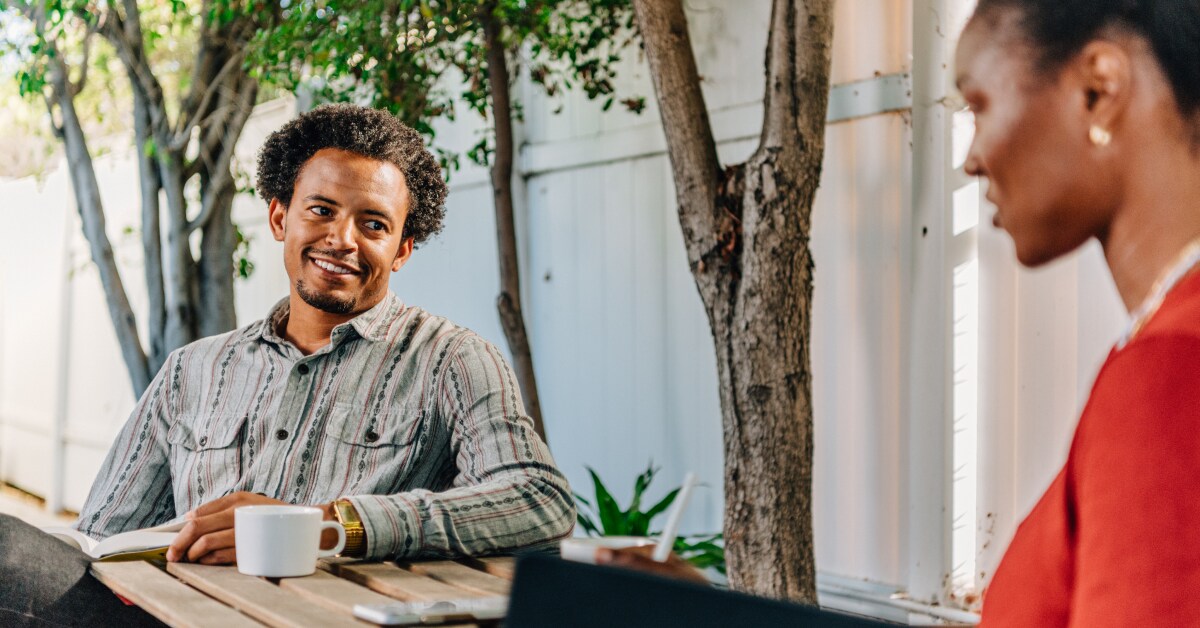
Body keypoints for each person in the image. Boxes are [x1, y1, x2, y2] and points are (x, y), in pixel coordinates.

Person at [601, 0, 1200, 624]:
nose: (970, 159)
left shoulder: (1172, 370)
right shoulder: (1163, 342)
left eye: (979, 106)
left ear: (1098, 90)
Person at [0, 103, 574, 625]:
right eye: (321, 210)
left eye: (373, 224)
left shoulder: (452, 360)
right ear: (280, 219)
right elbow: (101, 539)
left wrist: (330, 526)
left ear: (401, 249)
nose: (341, 239)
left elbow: (538, 500)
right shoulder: (192, 370)